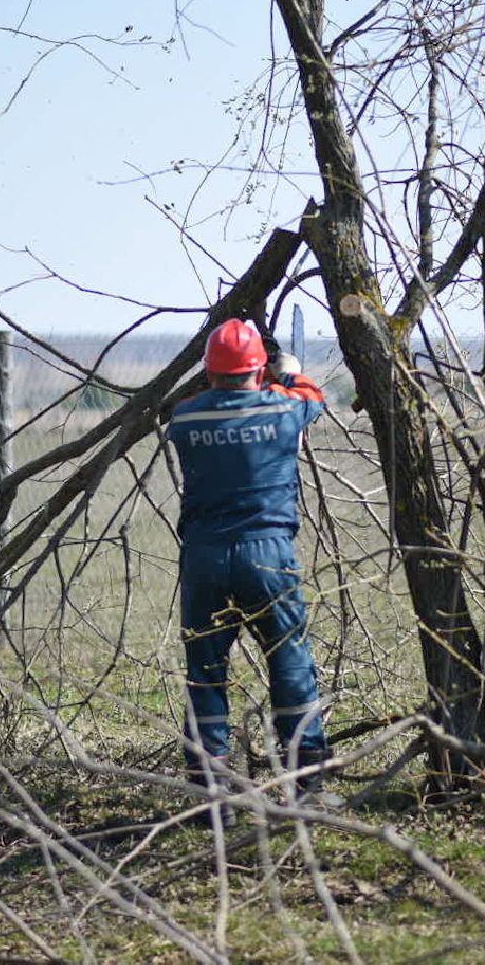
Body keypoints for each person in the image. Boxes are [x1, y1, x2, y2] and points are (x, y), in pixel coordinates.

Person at [167, 317, 338, 810]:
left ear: (210, 370)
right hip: (268, 556)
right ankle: (306, 786)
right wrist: (287, 372)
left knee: (205, 671)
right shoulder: (284, 409)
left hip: (204, 558)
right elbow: (314, 397)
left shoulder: (185, 418)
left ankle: (208, 792)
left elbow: (197, 407)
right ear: (257, 370)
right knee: (290, 665)